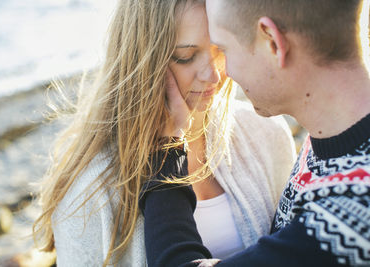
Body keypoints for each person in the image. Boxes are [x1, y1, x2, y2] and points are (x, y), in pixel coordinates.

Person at [32, 0, 295, 266]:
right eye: (185, 56)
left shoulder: (265, 133)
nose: (214, 75)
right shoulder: (89, 191)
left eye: (220, 49)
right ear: (142, 61)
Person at [140, 0, 370, 266]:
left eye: (223, 49)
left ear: (272, 42)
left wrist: (166, 148)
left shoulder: (353, 211)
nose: (222, 74)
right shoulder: (331, 139)